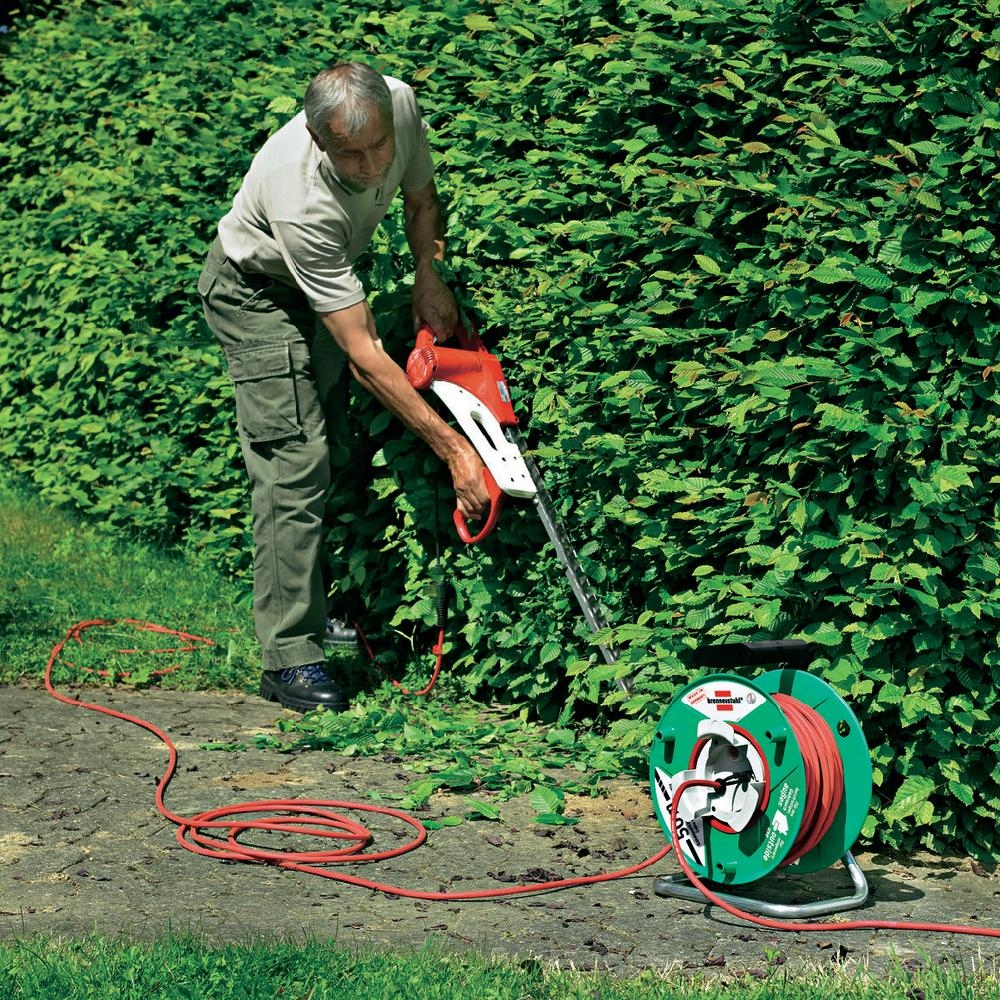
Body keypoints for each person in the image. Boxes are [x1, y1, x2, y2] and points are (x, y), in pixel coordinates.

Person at [197, 62, 489, 713]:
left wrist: (428, 273)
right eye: (351, 155)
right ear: (317, 137)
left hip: (321, 289)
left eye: (379, 146)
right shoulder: (298, 195)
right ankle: (288, 657)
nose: (372, 166)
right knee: (294, 461)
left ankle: (319, 608)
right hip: (257, 295)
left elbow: (421, 201)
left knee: (329, 445)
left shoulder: (400, 103)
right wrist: (455, 450)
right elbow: (364, 354)